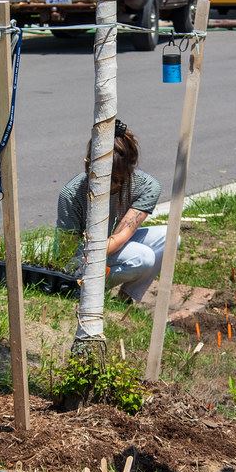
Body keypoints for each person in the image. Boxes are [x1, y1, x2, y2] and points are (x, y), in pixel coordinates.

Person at [57, 120, 164, 355]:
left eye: (115, 180)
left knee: (168, 238)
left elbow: (123, 235)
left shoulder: (147, 187)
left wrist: (101, 247)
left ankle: (124, 300)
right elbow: (65, 252)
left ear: (128, 171)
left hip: (112, 245)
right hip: (80, 259)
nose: (107, 185)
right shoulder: (71, 194)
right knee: (142, 258)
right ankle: (87, 290)